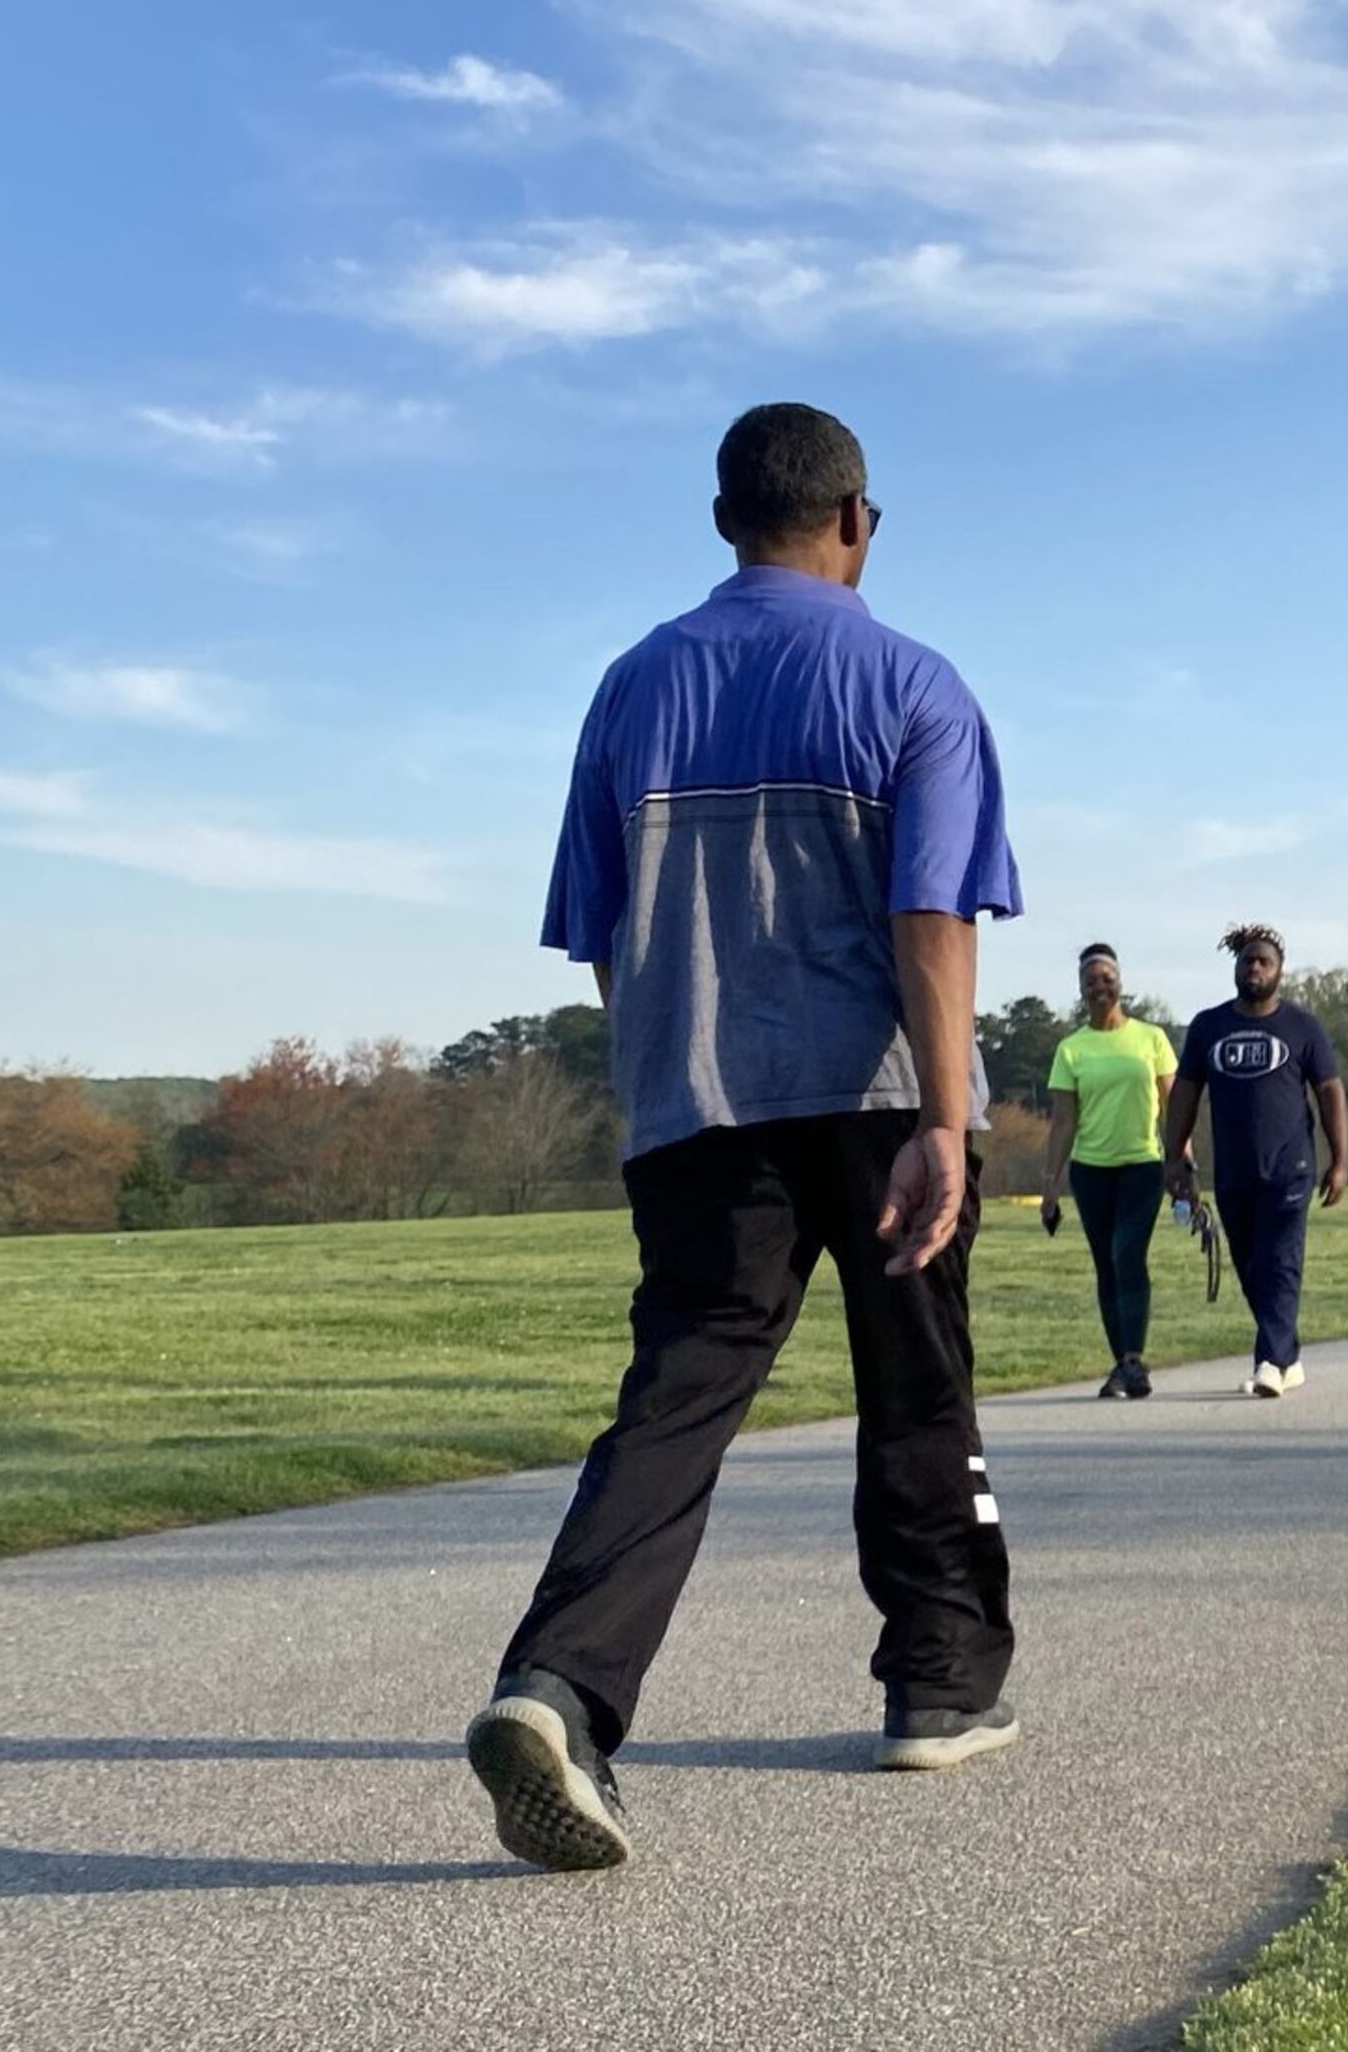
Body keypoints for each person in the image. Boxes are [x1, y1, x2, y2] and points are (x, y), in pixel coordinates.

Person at [469, 402, 1026, 1877]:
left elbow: (605, 933)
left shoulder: (631, 688)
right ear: (857, 521)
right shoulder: (912, 681)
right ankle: (939, 1685)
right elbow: (931, 914)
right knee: (917, 1386)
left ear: (724, 521)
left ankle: (559, 1688)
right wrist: (946, 1118)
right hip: (880, 1098)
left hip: (698, 1106)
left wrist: (667, 1079)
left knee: (675, 1403)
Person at [1162, 924, 1348, 1398]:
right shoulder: (1209, 1026)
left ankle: (1269, 1361)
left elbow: (1329, 1090)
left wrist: (1340, 1159)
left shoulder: (1302, 1026)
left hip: (1290, 1167)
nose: (1255, 968)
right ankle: (1288, 1356)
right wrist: (1174, 1157)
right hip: (1234, 1169)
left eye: (1265, 961)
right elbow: (1184, 1093)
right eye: (1248, 960)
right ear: (1236, 967)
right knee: (1250, 1266)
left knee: (1280, 1261)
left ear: (1280, 971)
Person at [1038, 941, 1177, 1400]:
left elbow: (1173, 1107)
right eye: (1090, 981)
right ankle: (1122, 1363)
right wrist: (1051, 1183)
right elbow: (1063, 1121)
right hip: (1091, 1171)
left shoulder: (1151, 1039)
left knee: (1126, 1254)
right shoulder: (1071, 1049)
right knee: (1105, 1264)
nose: (1099, 986)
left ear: (1120, 982)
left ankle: (1134, 1360)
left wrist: (1183, 1161)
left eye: (1106, 978)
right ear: (1081, 989)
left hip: (1142, 1165)